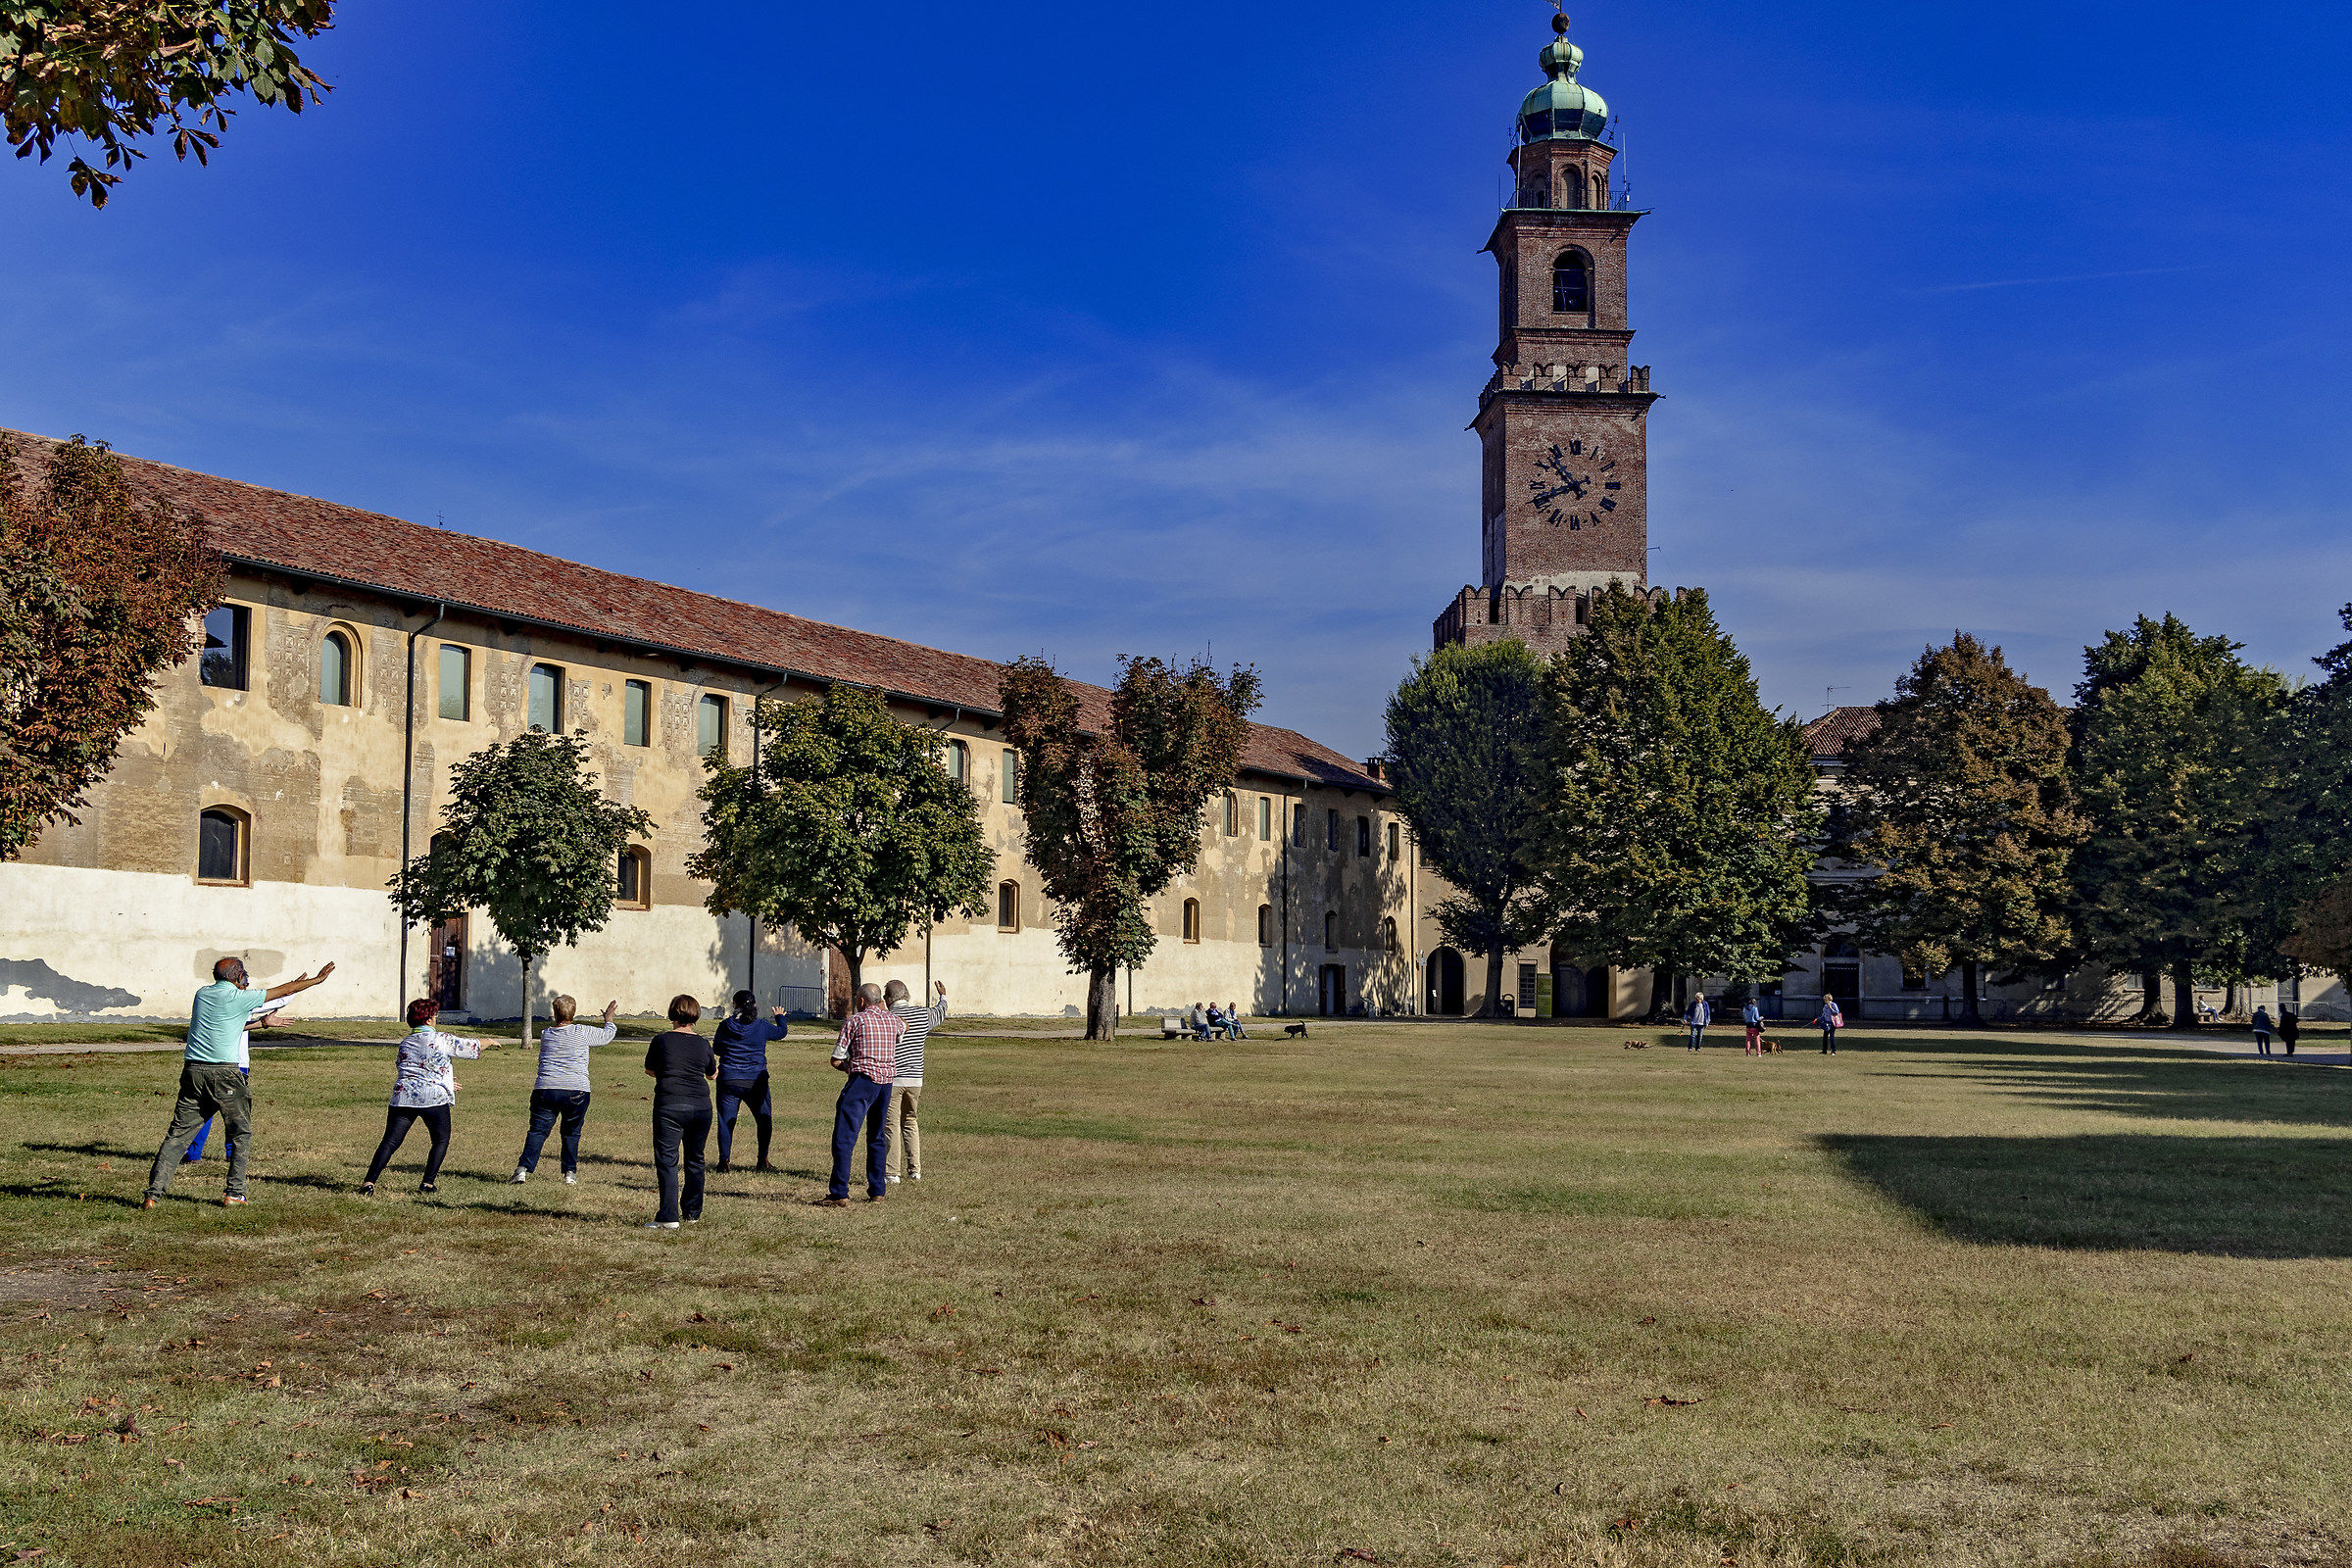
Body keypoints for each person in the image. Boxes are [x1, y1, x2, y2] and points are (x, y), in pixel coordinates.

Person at [142, 956, 335, 1209]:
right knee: (240, 1133)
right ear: (237, 977)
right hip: (224, 1074)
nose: (247, 979)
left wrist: (263, 1023)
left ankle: (153, 1195)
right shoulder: (239, 998)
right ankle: (234, 1192)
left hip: (193, 1072)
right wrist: (316, 981)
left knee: (177, 1136)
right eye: (244, 974)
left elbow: (232, 1024)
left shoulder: (202, 995)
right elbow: (283, 992)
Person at [360, 1000, 486, 1197]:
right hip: (433, 1098)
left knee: (390, 1142)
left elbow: (409, 1067)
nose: (436, 1019)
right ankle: (427, 1183)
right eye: (434, 1015)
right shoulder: (441, 1039)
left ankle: (368, 1183)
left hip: (403, 1097)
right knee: (440, 1140)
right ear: (428, 1020)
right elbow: (469, 1047)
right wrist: (490, 1042)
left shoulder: (405, 1043)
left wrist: (445, 1081)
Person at [511, 995, 618, 1185]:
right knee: (571, 1133)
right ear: (574, 1013)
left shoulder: (546, 1034)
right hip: (576, 1090)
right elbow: (606, 1037)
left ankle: (522, 1169)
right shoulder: (582, 1032)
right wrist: (608, 1020)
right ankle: (570, 1173)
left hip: (546, 1088)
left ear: (554, 1013)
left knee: (537, 1131)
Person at [642, 995, 718, 1229]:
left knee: (668, 1160)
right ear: (695, 1015)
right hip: (701, 1107)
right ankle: (693, 1213)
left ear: (672, 1013)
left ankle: (668, 1216)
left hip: (670, 1105)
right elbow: (712, 1074)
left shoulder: (661, 1041)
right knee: (696, 1160)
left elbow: (650, 1070)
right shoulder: (704, 1043)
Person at [821, 984, 902, 1206]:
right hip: (886, 1084)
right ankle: (877, 1190)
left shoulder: (854, 1021)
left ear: (862, 1001)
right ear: (880, 1001)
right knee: (876, 1136)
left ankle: (839, 1192)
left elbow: (836, 1058)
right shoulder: (892, 1020)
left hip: (862, 1081)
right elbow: (902, 1029)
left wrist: (850, 1066)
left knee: (844, 1139)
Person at [184, 1003, 279, 1163]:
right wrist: (305, 983)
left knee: (204, 1111)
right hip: (235, 1065)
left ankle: (193, 1153)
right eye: (244, 979)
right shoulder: (244, 1001)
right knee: (234, 1113)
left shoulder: (207, 999)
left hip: (208, 1063)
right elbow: (280, 1000)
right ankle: (233, 1153)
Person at [711, 991, 790, 1173]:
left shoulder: (725, 1026)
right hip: (756, 1080)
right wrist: (780, 1017)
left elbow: (717, 1049)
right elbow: (781, 1032)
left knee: (725, 1121)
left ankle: (724, 1162)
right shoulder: (761, 1025)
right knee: (764, 1120)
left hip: (729, 1078)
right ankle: (763, 1160)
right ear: (755, 1006)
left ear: (734, 1005)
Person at [885, 979, 947, 1185]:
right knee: (911, 1121)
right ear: (907, 995)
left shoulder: (887, 1017)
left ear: (888, 999)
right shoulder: (922, 1014)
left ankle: (892, 1172)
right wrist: (943, 996)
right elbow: (940, 1012)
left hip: (893, 1078)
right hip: (915, 1079)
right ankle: (915, 1170)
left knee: (891, 1125)